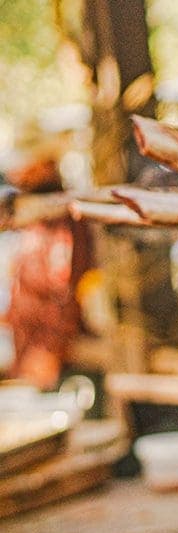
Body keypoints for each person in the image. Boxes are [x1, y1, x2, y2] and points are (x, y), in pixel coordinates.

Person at [4, 134, 94, 391]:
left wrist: (48, 349)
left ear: (45, 165)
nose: (17, 174)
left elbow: (65, 291)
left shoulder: (64, 218)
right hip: (27, 347)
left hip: (55, 357)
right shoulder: (32, 218)